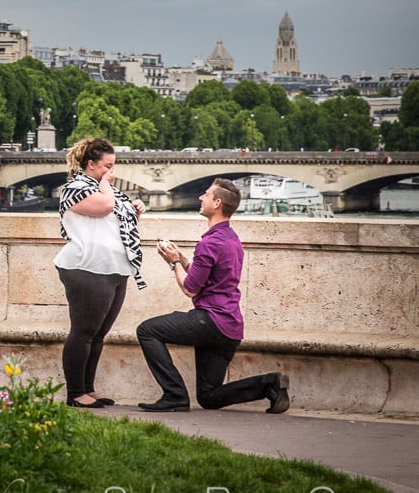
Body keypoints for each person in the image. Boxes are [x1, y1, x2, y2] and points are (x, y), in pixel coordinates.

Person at [136, 178, 290, 414]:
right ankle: (270, 384)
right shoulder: (231, 239)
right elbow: (208, 278)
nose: (200, 198)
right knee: (209, 397)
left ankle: (174, 395)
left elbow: (190, 289)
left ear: (217, 203)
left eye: (206, 195)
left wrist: (173, 262)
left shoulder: (209, 243)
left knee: (147, 331)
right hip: (230, 326)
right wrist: (184, 260)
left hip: (210, 321)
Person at [55, 137, 146, 409]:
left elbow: (115, 222)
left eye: (114, 165)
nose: (112, 171)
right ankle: (75, 394)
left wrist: (135, 211)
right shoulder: (75, 188)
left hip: (115, 269)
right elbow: (104, 207)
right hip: (86, 268)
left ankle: (88, 389)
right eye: (107, 166)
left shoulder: (108, 190)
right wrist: (106, 184)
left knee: (97, 334)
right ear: (91, 164)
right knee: (83, 332)